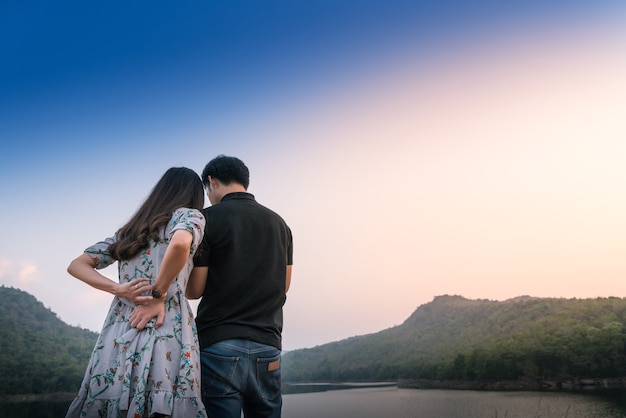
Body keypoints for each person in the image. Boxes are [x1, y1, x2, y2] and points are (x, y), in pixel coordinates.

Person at [65, 167, 208, 418]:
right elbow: (181, 243)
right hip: (166, 324)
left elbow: (76, 265)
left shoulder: (130, 231)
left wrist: (118, 289)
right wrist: (158, 295)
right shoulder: (189, 216)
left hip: (121, 326)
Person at [187, 155, 293, 418]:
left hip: (218, 345)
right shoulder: (280, 224)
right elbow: (284, 286)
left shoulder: (206, 219)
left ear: (211, 181)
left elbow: (194, 290)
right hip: (267, 344)